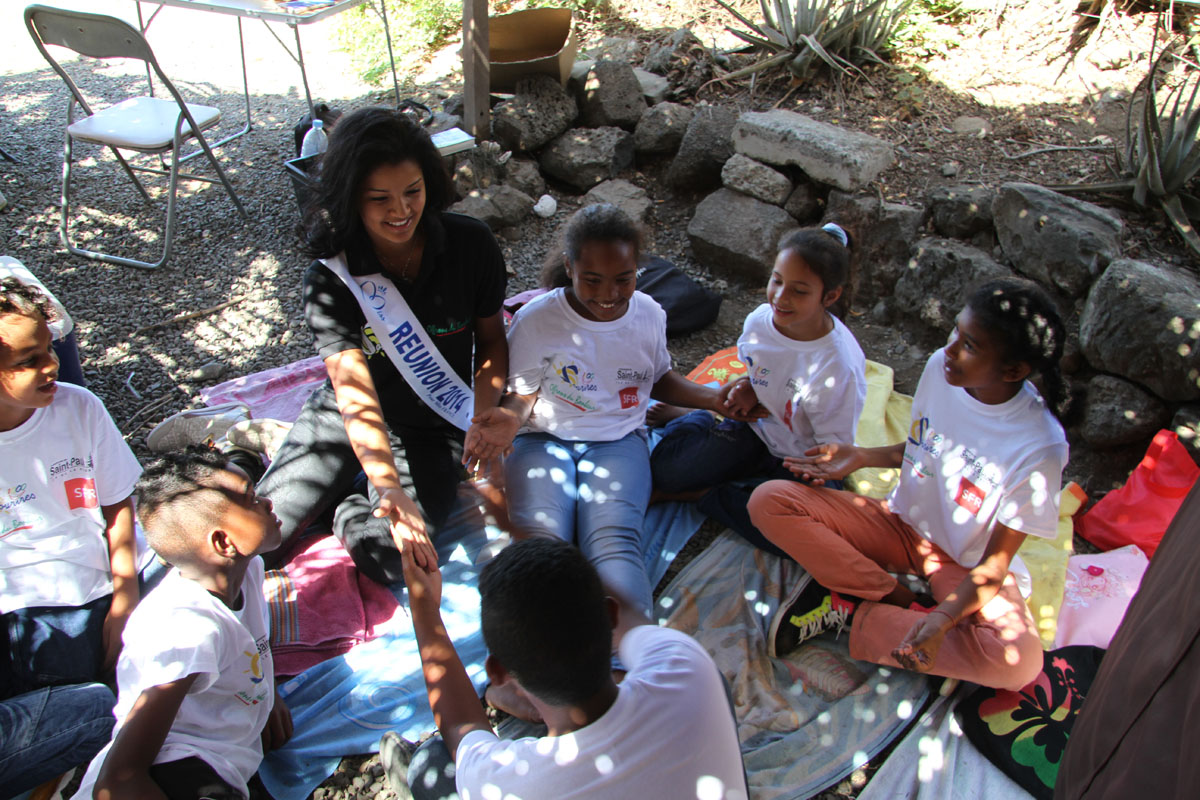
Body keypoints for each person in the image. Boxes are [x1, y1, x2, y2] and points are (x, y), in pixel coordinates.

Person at [747, 277, 1069, 690]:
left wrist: (944, 617)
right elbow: (925, 448)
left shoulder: (1039, 447)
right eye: (956, 330)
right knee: (769, 500)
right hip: (900, 524)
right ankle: (897, 600)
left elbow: (993, 566)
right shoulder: (942, 369)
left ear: (1014, 370)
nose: (949, 349)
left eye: (969, 345)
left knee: (1018, 663)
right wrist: (861, 455)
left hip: (963, 564)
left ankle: (852, 613)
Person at [256, 107, 508, 584]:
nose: (401, 211)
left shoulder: (471, 244)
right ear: (351, 199)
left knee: (399, 558)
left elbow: (493, 339)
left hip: (432, 429)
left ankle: (346, 502)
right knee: (258, 542)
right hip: (348, 416)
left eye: (412, 191)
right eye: (379, 199)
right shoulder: (331, 277)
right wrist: (388, 482)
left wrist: (484, 411)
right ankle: (280, 461)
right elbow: (353, 395)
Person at [471, 203, 749, 614]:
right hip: (542, 440)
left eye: (624, 279)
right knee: (540, 538)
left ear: (639, 268)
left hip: (618, 441)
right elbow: (523, 395)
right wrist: (509, 418)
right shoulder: (537, 320)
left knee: (614, 539)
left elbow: (657, 378)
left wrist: (714, 398)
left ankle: (624, 658)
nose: (608, 295)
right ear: (569, 267)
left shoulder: (649, 314)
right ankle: (534, 653)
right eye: (593, 280)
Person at [392, 536, 748, 800]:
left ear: (498, 671)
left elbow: (459, 728)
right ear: (608, 616)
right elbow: (632, 619)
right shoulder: (688, 668)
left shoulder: (509, 785)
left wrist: (424, 608)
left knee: (431, 763)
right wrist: (518, 527)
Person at [0, 277, 159, 790]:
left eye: (49, 349)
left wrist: (124, 597)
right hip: (26, 608)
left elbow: (119, 506)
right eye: (26, 361)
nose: (50, 366)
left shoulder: (79, 406)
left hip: (100, 584)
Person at [73, 446, 292, 800]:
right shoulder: (189, 631)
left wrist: (267, 695)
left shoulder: (248, 569)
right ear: (224, 542)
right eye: (252, 499)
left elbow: (251, 643)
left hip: (219, 757)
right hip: (173, 768)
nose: (267, 502)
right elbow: (119, 779)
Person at [649, 223, 866, 556]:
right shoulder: (760, 322)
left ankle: (705, 494)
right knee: (665, 472)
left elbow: (832, 451)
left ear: (830, 296)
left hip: (803, 457)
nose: (780, 297)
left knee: (808, 534)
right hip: (756, 428)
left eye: (799, 290)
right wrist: (748, 387)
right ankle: (697, 416)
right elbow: (757, 372)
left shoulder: (839, 366)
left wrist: (800, 482)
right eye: (777, 281)